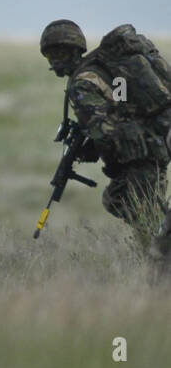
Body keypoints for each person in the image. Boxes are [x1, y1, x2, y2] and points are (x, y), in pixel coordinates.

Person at [39, 20, 171, 238]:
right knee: (144, 207)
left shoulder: (81, 83)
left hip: (143, 151)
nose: (55, 62)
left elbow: (105, 133)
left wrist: (93, 150)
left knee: (129, 205)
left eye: (57, 55)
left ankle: (157, 262)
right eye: (52, 56)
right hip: (157, 139)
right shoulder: (99, 68)